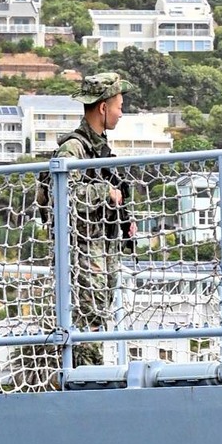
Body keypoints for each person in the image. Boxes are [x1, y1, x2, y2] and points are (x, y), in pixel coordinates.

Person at [48, 70, 138, 368]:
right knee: (88, 314)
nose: (120, 113)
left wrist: (127, 217)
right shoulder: (74, 148)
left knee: (100, 311)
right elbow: (63, 194)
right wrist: (105, 193)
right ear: (103, 107)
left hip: (104, 243)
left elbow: (115, 190)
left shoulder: (101, 149)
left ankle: (92, 370)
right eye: (119, 106)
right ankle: (86, 372)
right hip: (84, 247)